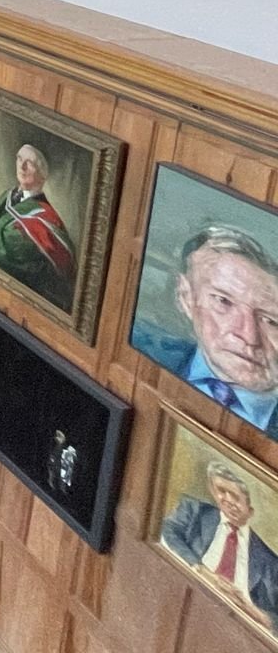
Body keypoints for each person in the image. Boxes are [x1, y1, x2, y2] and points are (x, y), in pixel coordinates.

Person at [132, 223, 278, 433]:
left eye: (271, 320)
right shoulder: (142, 349)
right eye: (223, 301)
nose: (248, 336)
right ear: (186, 297)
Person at [0, 143, 75, 309]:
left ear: (42, 176)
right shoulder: (12, 194)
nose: (22, 167)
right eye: (20, 159)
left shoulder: (45, 214)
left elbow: (15, 245)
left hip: (21, 277)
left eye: (30, 163)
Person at [161, 456, 278, 621]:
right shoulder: (193, 511)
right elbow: (164, 532)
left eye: (236, 496)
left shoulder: (269, 561)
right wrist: (203, 571)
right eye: (222, 491)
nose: (228, 500)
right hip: (183, 593)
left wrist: (256, 614)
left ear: (251, 509)